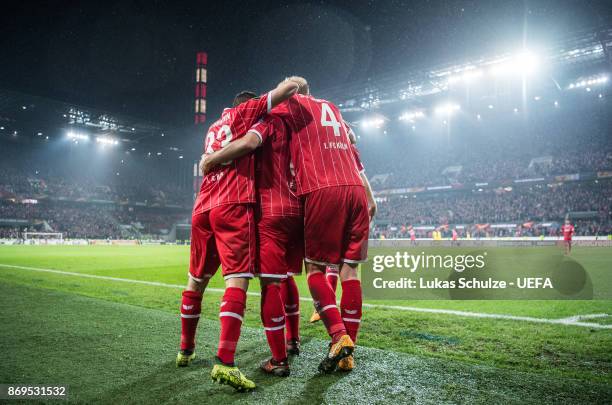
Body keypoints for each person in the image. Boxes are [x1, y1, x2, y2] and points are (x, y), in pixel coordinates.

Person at [176, 80, 298, 392]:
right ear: (248, 105)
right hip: (232, 204)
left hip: (202, 206)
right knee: (238, 280)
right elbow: (287, 90)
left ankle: (185, 350)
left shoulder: (214, 126)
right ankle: (225, 361)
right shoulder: (248, 114)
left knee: (196, 281)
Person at [273, 76, 369, 373]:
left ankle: (339, 336)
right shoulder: (333, 108)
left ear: (293, 92)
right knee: (349, 269)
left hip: (322, 188)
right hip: (356, 189)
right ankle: (347, 352)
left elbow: (261, 118)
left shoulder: (293, 104)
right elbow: (352, 141)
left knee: (314, 268)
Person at [201, 106, 304, 377]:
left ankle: (279, 360)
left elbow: (248, 143)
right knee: (285, 276)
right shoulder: (297, 126)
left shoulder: (266, 121)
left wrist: (211, 159)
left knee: (270, 283)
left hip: (270, 208)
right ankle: (293, 339)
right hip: (297, 205)